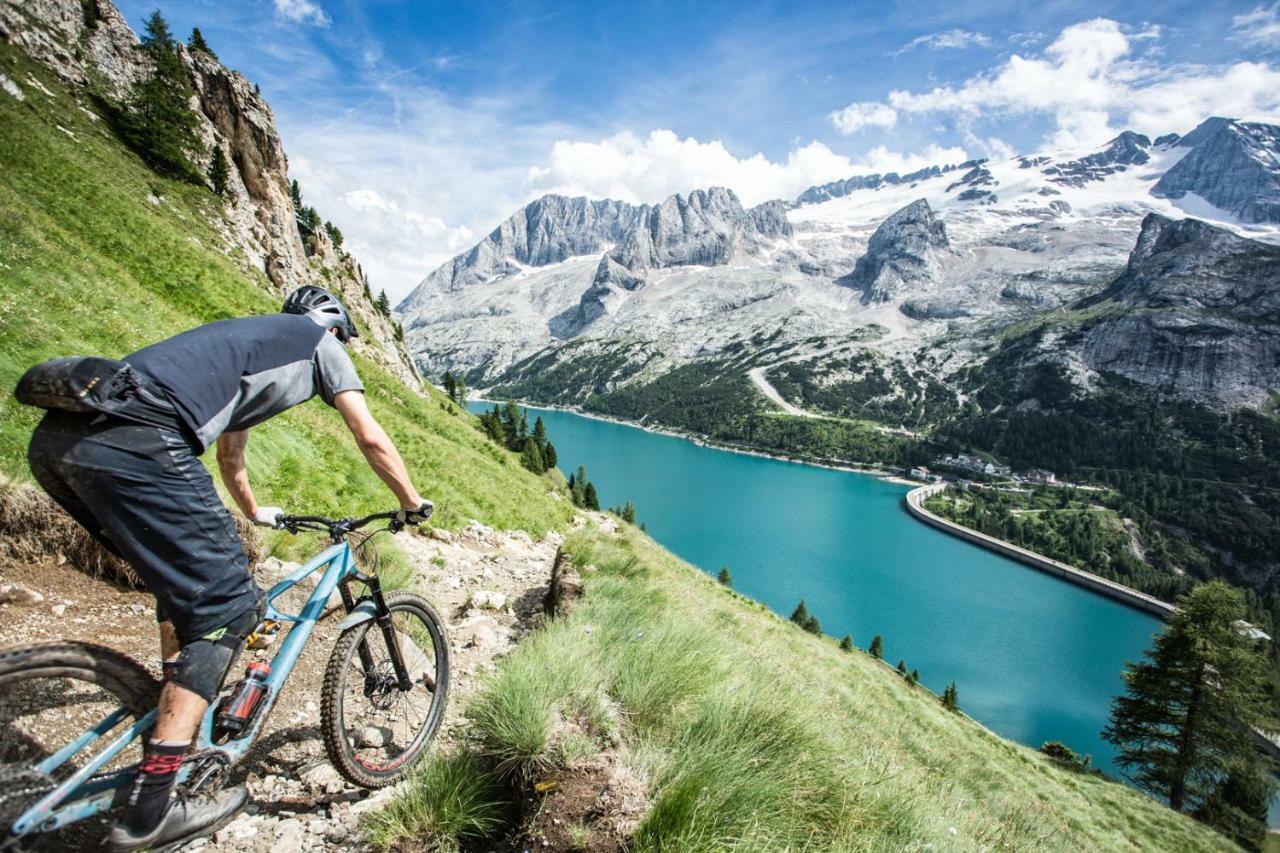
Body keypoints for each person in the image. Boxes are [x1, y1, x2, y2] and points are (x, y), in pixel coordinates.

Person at [25, 286, 433, 851]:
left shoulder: (250, 344)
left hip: (57, 444)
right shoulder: (322, 343)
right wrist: (412, 501)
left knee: (184, 590)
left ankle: (180, 715)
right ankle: (152, 810)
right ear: (335, 327)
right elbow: (369, 435)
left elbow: (229, 454)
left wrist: (254, 512)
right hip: (137, 442)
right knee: (227, 607)